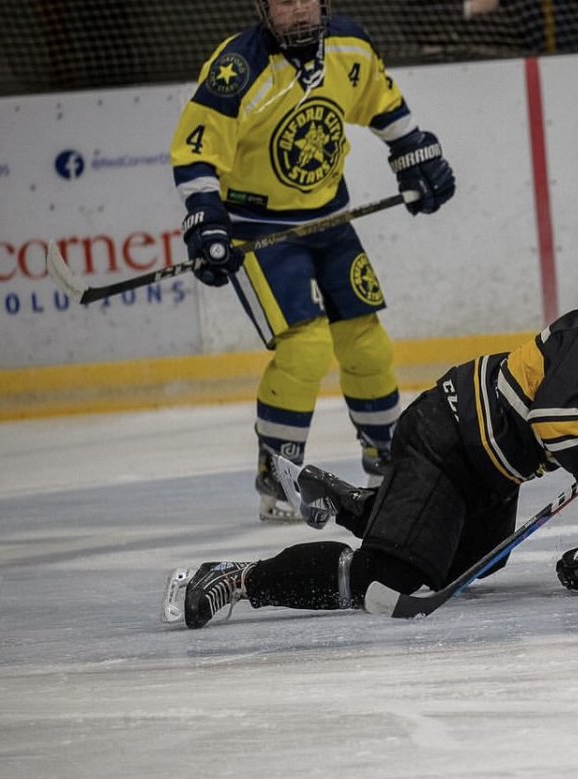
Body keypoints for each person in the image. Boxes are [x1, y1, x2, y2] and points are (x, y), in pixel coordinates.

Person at [162, 276, 578, 629]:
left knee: (477, 562)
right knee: (389, 581)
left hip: (493, 473)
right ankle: (236, 579)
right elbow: (556, 426)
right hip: (449, 436)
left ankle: (355, 505)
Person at [170, 0, 455, 522]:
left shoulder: (349, 45)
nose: (298, 11)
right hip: (258, 231)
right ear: (263, 8)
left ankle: (387, 462)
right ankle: (279, 474)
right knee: (305, 347)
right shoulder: (239, 67)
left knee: (366, 343)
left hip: (329, 221)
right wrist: (206, 216)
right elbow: (195, 151)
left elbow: (382, 104)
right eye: (284, 2)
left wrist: (415, 157)